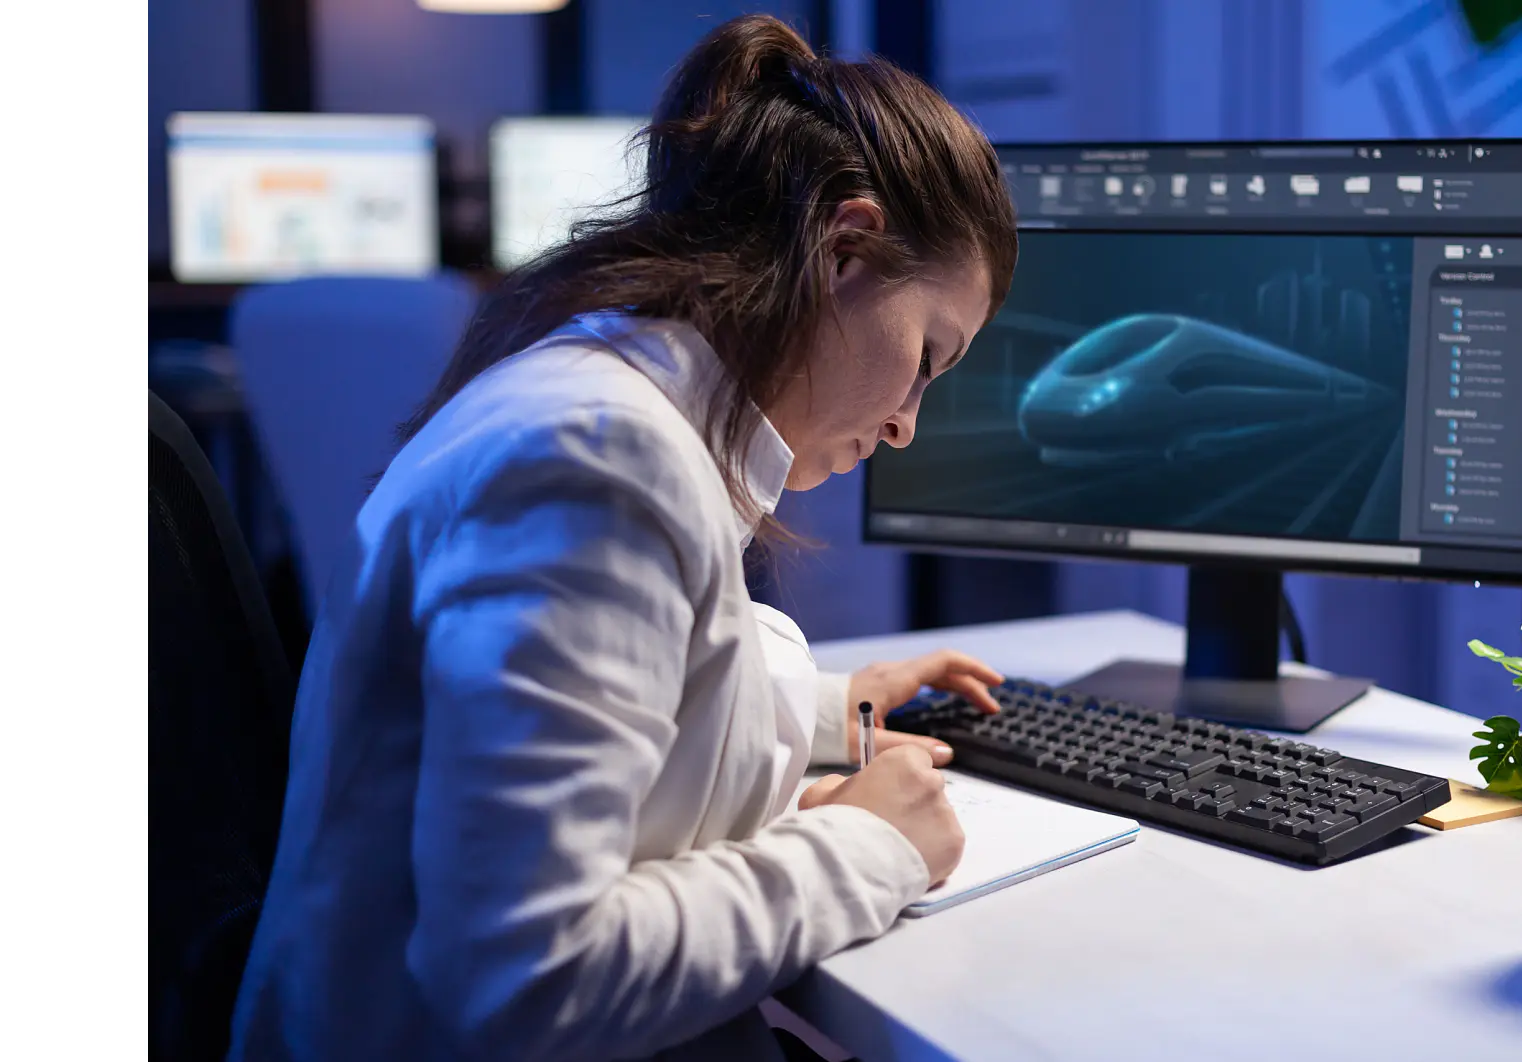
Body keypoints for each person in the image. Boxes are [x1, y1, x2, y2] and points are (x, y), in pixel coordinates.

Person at [226, 14, 1019, 1062]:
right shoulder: (598, 456)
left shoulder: (617, 397)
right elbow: (529, 979)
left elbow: (636, 699)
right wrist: (870, 845)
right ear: (844, 246)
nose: (908, 421)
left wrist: (829, 710)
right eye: (927, 355)